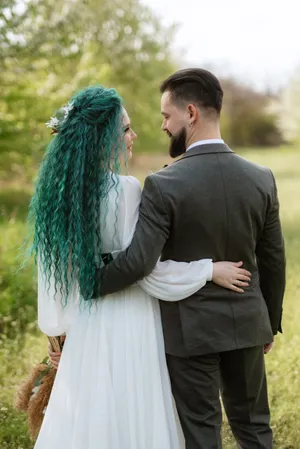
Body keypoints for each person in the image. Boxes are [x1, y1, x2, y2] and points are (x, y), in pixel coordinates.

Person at [31, 85, 250, 449]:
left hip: (86, 323)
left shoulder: (60, 196)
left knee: (90, 414)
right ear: (102, 138)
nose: (133, 137)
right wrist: (208, 270)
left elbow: (54, 277)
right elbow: (146, 269)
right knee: (135, 411)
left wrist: (57, 334)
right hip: (130, 319)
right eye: (126, 130)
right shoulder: (127, 190)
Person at [93, 69, 286, 449]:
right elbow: (273, 258)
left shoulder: (164, 184)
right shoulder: (262, 177)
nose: (164, 126)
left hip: (189, 334)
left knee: (201, 435)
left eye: (167, 116)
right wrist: (269, 322)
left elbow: (137, 264)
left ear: (191, 113)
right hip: (248, 325)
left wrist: (87, 282)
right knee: (255, 429)